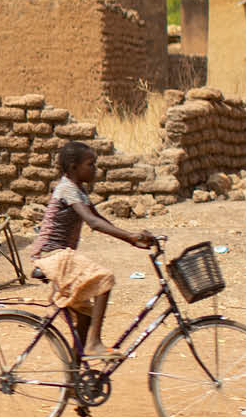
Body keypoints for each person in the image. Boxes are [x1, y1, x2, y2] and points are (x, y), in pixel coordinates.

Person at [30, 140, 158, 359]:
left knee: (85, 315)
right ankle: (94, 344)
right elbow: (93, 222)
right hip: (53, 255)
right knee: (104, 279)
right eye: (91, 164)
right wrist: (130, 236)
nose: (95, 170)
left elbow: (99, 219)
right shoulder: (67, 189)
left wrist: (132, 239)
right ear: (73, 167)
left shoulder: (78, 189)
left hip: (61, 255)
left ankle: (73, 382)